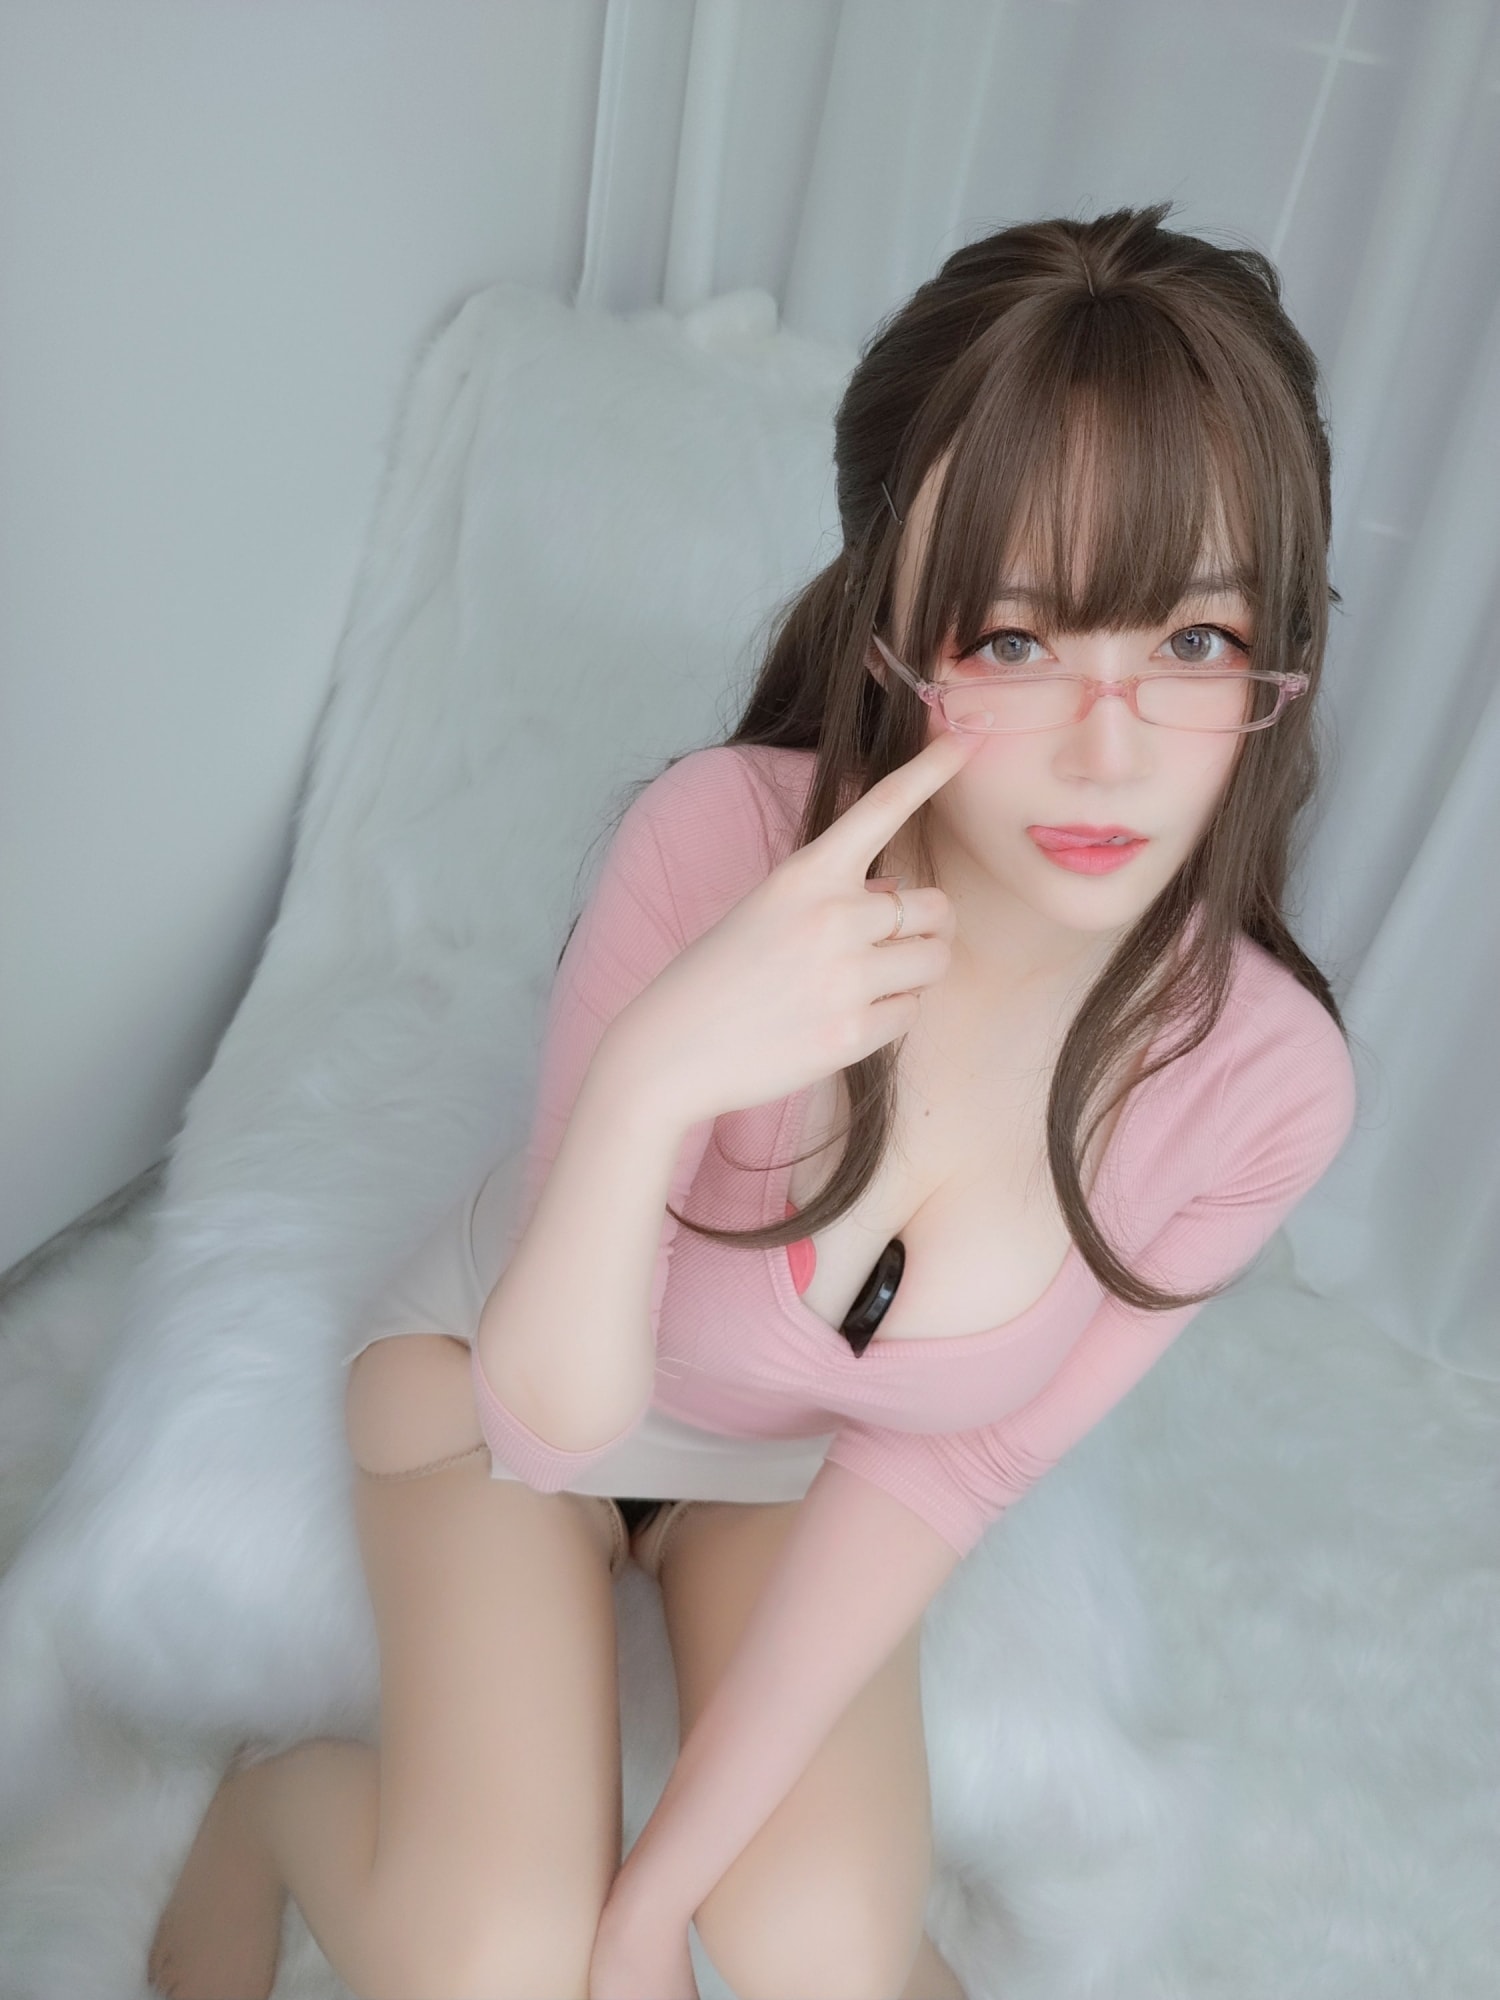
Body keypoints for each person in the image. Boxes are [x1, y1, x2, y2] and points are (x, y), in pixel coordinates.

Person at [146, 200, 1358, 2000]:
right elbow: (548, 1421)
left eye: (1189, 641)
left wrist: (658, 1907)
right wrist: (653, 1079)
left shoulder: (1258, 1084)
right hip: (492, 1400)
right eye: (1014, 640)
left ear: (1276, 653)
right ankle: (274, 1811)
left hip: (789, 1480)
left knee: (825, 1955)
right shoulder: (718, 843)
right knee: (496, 1966)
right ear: (893, 635)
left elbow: (952, 1465)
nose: (1108, 753)